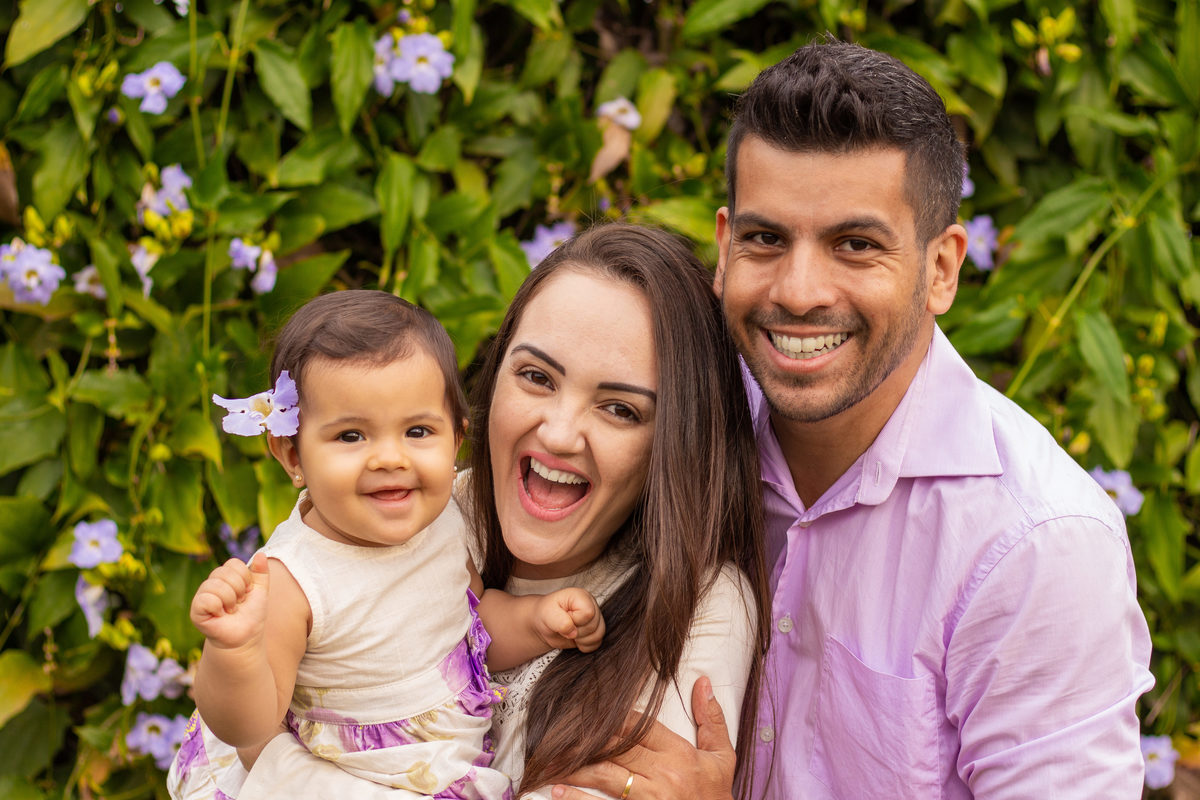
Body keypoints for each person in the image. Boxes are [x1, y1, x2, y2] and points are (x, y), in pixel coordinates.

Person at [555, 37, 1155, 799]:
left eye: (856, 245)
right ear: (723, 245)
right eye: (767, 239)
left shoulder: (1036, 548)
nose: (800, 291)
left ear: (941, 269)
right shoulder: (675, 422)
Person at [183, 223, 772, 800]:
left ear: (676, 440)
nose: (560, 433)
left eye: (620, 409)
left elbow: (473, 627)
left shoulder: (697, 607)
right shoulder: (401, 518)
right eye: (536, 376)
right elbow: (234, 736)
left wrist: (276, 768)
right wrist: (242, 680)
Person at [168, 290, 607, 799]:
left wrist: (536, 622)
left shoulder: (446, 522)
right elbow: (250, 728)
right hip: (343, 781)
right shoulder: (294, 577)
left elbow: (467, 630)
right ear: (292, 454)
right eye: (352, 437)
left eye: (418, 431)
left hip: (438, 771)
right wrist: (234, 651)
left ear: (456, 440)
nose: (390, 458)